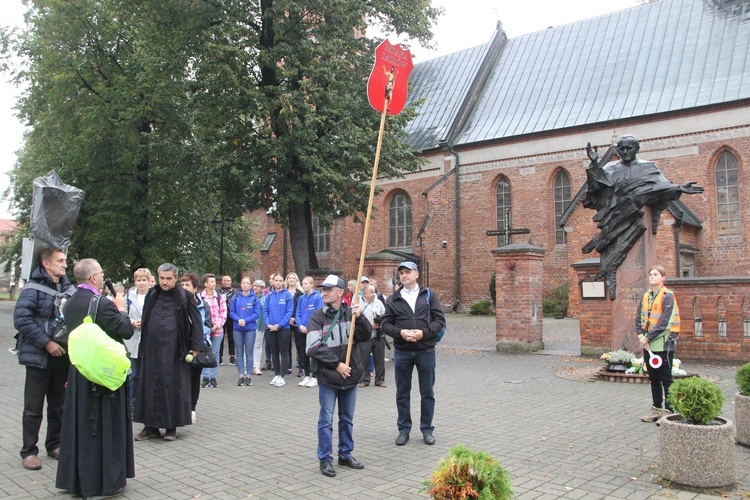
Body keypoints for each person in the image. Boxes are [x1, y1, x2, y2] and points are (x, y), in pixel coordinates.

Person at [584, 135, 704, 298]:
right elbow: (596, 188)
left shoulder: (648, 167)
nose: (625, 151)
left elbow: (661, 186)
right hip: (615, 214)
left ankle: (605, 257)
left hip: (635, 214)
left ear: (637, 149)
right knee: (615, 240)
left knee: (637, 199)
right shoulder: (611, 168)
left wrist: (679, 188)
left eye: (629, 148)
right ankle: (610, 271)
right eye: (622, 148)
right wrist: (594, 164)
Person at [55, 258, 135, 498]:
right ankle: (104, 481)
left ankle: (77, 480)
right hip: (103, 375)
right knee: (104, 427)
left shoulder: (69, 304)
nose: (102, 277)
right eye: (100, 273)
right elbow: (126, 330)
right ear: (93, 278)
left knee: (80, 426)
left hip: (79, 373)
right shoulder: (103, 304)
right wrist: (120, 307)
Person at [14, 248, 75, 471]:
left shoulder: (68, 288)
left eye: (65, 261)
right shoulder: (33, 289)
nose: (65, 265)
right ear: (46, 264)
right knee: (33, 406)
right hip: (39, 356)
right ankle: (29, 451)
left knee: (59, 404)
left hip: (62, 356)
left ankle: (55, 444)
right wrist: (47, 343)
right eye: (60, 261)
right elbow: (22, 319)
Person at [306, 274, 371, 478]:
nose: (324, 292)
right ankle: (325, 458)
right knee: (325, 419)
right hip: (329, 376)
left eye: (328, 289)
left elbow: (366, 335)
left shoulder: (351, 314)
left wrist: (360, 317)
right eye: (323, 289)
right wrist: (336, 365)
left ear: (340, 293)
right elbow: (312, 347)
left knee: (347, 418)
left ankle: (345, 454)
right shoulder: (317, 316)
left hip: (350, 376)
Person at [133, 263, 203, 441]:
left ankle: (171, 427)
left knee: (171, 385)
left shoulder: (185, 296)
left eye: (168, 279)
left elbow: (197, 322)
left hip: (174, 349)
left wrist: (195, 346)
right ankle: (150, 427)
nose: (164, 282)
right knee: (149, 385)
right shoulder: (152, 293)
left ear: (175, 279)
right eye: (161, 278)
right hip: (151, 348)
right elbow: (146, 316)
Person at [381, 261, 445, 446]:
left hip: (425, 350)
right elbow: (386, 324)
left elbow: (439, 319)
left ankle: (426, 429)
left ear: (416, 274)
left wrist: (424, 333)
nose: (404, 275)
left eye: (407, 272)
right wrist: (400, 333)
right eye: (401, 273)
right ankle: (404, 430)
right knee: (402, 392)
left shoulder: (428, 295)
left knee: (427, 392)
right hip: (402, 351)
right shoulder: (394, 299)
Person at [636, 265, 681, 423]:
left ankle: (669, 413)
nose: (652, 277)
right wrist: (641, 336)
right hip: (648, 345)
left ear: (663, 278)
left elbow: (664, 322)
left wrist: (647, 338)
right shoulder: (646, 296)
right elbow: (639, 319)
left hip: (662, 344)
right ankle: (656, 409)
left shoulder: (667, 296)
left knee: (666, 378)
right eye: (650, 274)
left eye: (655, 274)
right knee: (654, 378)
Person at [180, 273, 212, 424]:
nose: (184, 288)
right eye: (183, 285)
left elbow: (206, 326)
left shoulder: (203, 305)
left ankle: (192, 409)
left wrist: (195, 336)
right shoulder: (177, 303)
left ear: (195, 288)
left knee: (193, 379)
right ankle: (180, 409)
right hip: (180, 347)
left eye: (188, 285)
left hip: (196, 347)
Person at [125, 267, 153, 415]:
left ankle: (147, 403)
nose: (141, 283)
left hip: (150, 338)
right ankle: (132, 403)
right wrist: (132, 322)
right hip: (134, 338)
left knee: (148, 373)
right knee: (134, 373)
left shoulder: (154, 295)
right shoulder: (129, 296)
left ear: (149, 281)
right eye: (139, 280)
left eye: (144, 280)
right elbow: (122, 313)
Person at [230, 275, 260, 386]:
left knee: (249, 353)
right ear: (241, 285)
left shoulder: (255, 298)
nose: (245, 285)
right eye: (243, 283)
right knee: (239, 353)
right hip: (237, 328)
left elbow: (256, 314)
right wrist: (239, 320)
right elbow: (232, 312)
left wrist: (245, 320)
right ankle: (241, 375)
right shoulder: (236, 297)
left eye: (247, 283)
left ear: (251, 285)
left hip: (250, 329)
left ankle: (248, 376)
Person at [264, 272, 293, 386]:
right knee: (274, 352)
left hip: (284, 328)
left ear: (283, 282)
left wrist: (279, 325)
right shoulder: (269, 296)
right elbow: (265, 311)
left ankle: (282, 376)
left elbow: (289, 312)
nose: (278, 283)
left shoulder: (287, 295)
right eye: (276, 280)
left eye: (280, 281)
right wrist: (268, 324)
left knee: (284, 352)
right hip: (270, 328)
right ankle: (276, 374)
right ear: (273, 282)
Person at [295, 276, 323, 387]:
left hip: (313, 329)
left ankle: (315, 376)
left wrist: (309, 327)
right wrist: (300, 325)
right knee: (303, 352)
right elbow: (298, 313)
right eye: (303, 283)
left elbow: (317, 313)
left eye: (306, 283)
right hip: (302, 329)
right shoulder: (301, 298)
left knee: (314, 352)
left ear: (312, 284)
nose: (304, 285)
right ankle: (306, 375)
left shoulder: (317, 297)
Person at [200, 273, 227, 387]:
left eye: (215, 281)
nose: (214, 283)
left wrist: (217, 325)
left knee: (215, 353)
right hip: (205, 331)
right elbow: (198, 314)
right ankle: (205, 377)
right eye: (211, 282)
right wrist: (206, 328)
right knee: (204, 353)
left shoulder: (220, 297)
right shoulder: (200, 297)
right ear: (205, 284)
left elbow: (223, 313)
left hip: (218, 330)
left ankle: (213, 377)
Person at [358, 283, 386, 388]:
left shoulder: (378, 302)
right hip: (365, 336)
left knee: (379, 358)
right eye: (371, 292)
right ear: (365, 293)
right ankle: (365, 379)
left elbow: (385, 315)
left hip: (378, 335)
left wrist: (380, 324)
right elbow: (357, 319)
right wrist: (369, 325)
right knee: (363, 359)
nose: (374, 294)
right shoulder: (359, 303)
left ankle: (380, 380)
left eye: (374, 292)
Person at [286, 272, 304, 376]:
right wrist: (287, 318)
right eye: (290, 278)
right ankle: (287, 366)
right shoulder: (284, 293)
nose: (292, 280)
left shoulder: (300, 293)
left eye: (294, 278)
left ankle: (302, 367)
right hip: (286, 322)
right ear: (287, 280)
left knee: (299, 345)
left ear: (296, 280)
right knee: (286, 345)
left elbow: (300, 308)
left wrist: (295, 318)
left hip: (297, 322)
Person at [219, 275, 237, 366]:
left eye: (230, 280)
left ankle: (232, 356)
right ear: (223, 281)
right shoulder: (218, 292)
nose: (229, 282)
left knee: (231, 336)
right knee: (220, 336)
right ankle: (219, 357)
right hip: (221, 315)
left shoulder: (234, 292)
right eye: (227, 280)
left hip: (231, 315)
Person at [251, 279, 266, 376]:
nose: (255, 288)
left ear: (262, 289)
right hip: (249, 324)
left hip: (259, 325)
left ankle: (256, 366)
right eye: (254, 286)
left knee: (258, 345)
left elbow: (265, 309)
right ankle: (247, 366)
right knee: (247, 345)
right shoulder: (248, 297)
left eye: (258, 286)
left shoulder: (264, 298)